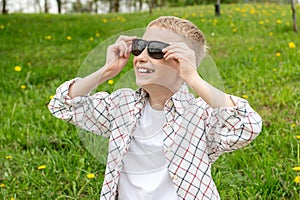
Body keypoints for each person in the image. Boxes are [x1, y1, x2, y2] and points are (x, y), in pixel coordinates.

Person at [48, 16, 262, 200]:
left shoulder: (199, 115)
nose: (141, 57)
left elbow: (247, 124)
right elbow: (63, 104)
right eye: (139, 47)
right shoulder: (121, 106)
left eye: (156, 51)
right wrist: (106, 71)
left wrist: (194, 78)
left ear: (183, 62)